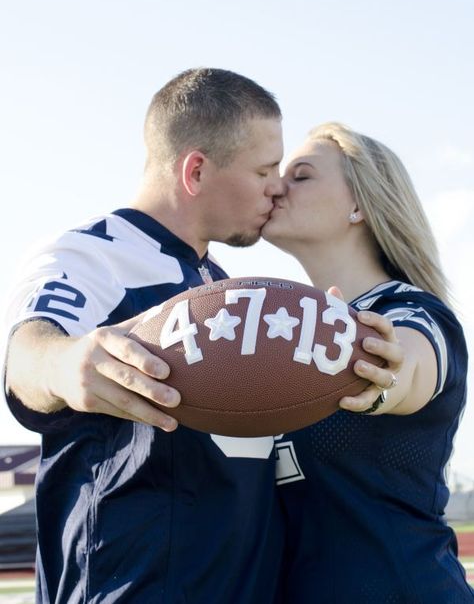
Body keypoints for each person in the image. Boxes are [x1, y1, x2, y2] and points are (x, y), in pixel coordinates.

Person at [4, 70, 398, 604]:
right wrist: (66, 364)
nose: (276, 186)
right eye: (264, 170)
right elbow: (29, 354)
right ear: (195, 170)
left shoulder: (229, 290)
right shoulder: (92, 256)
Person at [263, 122, 473, 603]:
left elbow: (409, 363)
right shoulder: (281, 336)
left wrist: (380, 373)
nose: (277, 185)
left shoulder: (413, 314)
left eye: (302, 175)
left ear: (358, 204)